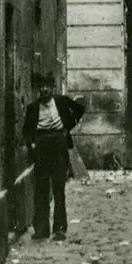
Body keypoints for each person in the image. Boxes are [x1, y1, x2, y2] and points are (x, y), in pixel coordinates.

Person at [22, 74, 85, 241]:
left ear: (53, 87)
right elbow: (26, 130)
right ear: (38, 90)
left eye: (47, 86)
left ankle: (59, 229)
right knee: (41, 190)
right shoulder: (32, 108)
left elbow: (80, 109)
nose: (44, 89)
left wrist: (68, 126)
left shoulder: (62, 101)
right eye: (41, 87)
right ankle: (41, 229)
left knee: (59, 189)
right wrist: (32, 144)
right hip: (41, 148)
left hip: (59, 146)